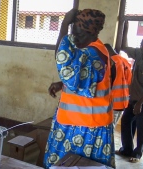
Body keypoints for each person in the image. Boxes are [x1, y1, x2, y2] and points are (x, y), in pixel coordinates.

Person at [44, 9, 115, 168]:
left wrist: (63, 25)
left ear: (84, 30)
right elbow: (84, 78)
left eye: (73, 27)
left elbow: (63, 61)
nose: (71, 31)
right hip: (78, 122)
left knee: (71, 165)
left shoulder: (93, 53)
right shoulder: (91, 49)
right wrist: (62, 84)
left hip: (86, 127)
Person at [116, 21, 143, 163]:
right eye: (141, 45)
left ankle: (137, 154)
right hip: (133, 98)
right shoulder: (139, 54)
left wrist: (140, 103)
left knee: (142, 128)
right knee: (126, 121)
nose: (142, 48)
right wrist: (125, 29)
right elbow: (124, 47)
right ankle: (126, 149)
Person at [104, 43, 132, 127]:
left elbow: (108, 82)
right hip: (123, 101)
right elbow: (130, 81)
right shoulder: (124, 61)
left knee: (108, 128)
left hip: (112, 101)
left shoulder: (112, 62)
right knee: (112, 126)